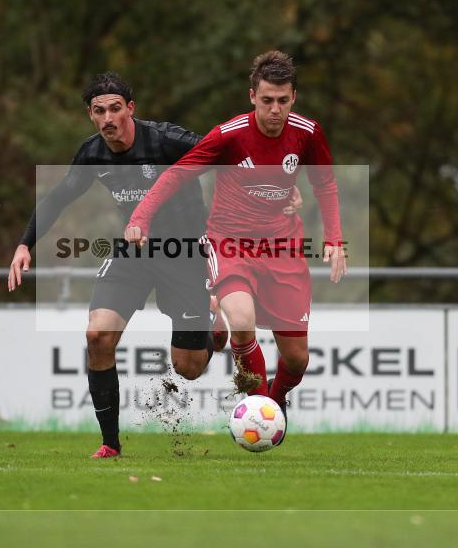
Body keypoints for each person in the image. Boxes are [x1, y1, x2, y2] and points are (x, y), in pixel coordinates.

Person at [8, 72, 301, 458]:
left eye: (116, 108)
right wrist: (25, 244)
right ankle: (110, 444)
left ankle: (211, 321)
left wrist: (281, 187)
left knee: (189, 367)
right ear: (91, 115)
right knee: (97, 335)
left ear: (131, 109)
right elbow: (59, 197)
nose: (108, 118)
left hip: (185, 252)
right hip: (135, 249)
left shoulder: (165, 139)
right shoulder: (92, 153)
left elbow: (228, 155)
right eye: (99, 111)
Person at [125, 51, 346, 444]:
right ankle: (258, 414)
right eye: (266, 101)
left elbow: (325, 185)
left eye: (282, 100)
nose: (274, 110)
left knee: (297, 359)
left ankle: (273, 408)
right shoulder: (229, 135)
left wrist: (334, 240)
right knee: (241, 321)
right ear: (252, 96)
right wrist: (141, 216)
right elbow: (177, 174)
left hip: (282, 248)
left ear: (293, 97)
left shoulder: (308, 133)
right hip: (230, 243)